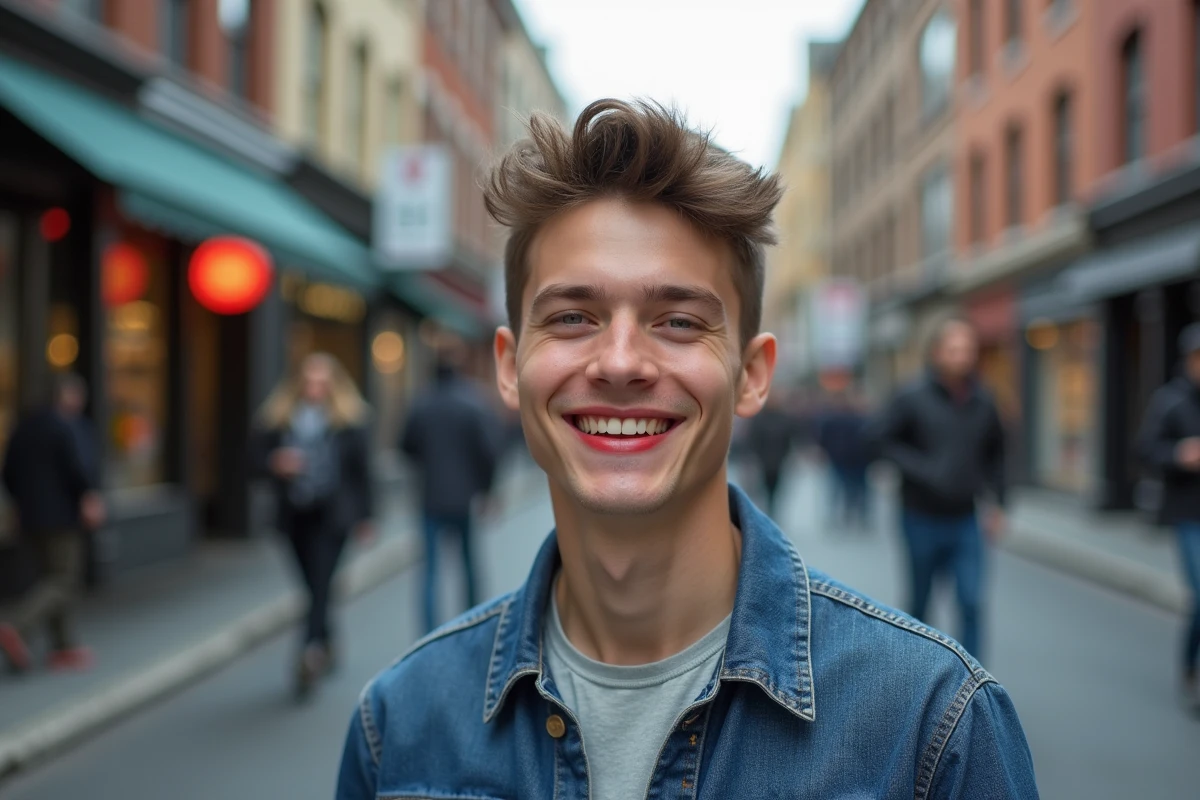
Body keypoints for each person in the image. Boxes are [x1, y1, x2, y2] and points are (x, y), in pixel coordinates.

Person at [337, 100, 1037, 799]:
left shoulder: (933, 727)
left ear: (752, 374)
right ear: (509, 367)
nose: (620, 362)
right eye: (573, 317)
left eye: (677, 322)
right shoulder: (398, 725)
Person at [869, 319, 1007, 662]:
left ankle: (975, 679)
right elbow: (878, 439)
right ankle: (917, 673)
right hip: (920, 516)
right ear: (936, 353)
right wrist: (922, 469)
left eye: (968, 350)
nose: (962, 357)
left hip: (966, 518)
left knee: (972, 601)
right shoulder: (911, 396)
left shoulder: (984, 400)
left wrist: (999, 504)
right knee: (920, 602)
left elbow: (998, 454)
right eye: (954, 349)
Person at [254, 353, 374, 699]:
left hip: (333, 518)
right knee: (314, 586)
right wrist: (274, 463)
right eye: (309, 382)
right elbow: (250, 462)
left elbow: (363, 473)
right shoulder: (279, 420)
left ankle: (308, 654)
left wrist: (366, 517)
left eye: (322, 383)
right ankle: (327, 639)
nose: (315, 389)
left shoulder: (350, 421)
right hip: (294, 517)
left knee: (320, 583)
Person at [0, 373, 104, 672]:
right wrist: (88, 496)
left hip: (29, 517)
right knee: (65, 580)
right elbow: (78, 468)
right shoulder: (66, 426)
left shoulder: (24, 427)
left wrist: (19, 503)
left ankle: (63, 646)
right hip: (62, 517)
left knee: (50, 578)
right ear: (68, 395)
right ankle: (16, 626)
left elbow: (7, 472)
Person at [401, 348, 500, 634]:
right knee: (468, 565)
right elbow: (488, 451)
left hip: (430, 496)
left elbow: (405, 446)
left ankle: (429, 632)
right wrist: (487, 490)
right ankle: (472, 624)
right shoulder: (472, 403)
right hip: (464, 498)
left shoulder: (421, 404)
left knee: (430, 570)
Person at [1138, 322, 1200, 714]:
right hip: (1188, 513)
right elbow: (1145, 449)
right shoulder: (1170, 400)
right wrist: (1179, 454)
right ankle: (1190, 670)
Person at [816, 389, 872, 531]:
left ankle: (851, 515)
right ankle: (856, 515)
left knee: (846, 488)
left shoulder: (837, 419)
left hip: (851, 459)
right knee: (851, 488)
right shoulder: (859, 419)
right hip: (847, 459)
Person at [745, 390, 796, 517]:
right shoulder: (760, 419)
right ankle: (768, 508)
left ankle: (771, 508)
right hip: (764, 460)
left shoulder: (783, 418)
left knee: (775, 488)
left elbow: (788, 439)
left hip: (778, 460)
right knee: (764, 487)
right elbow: (753, 440)